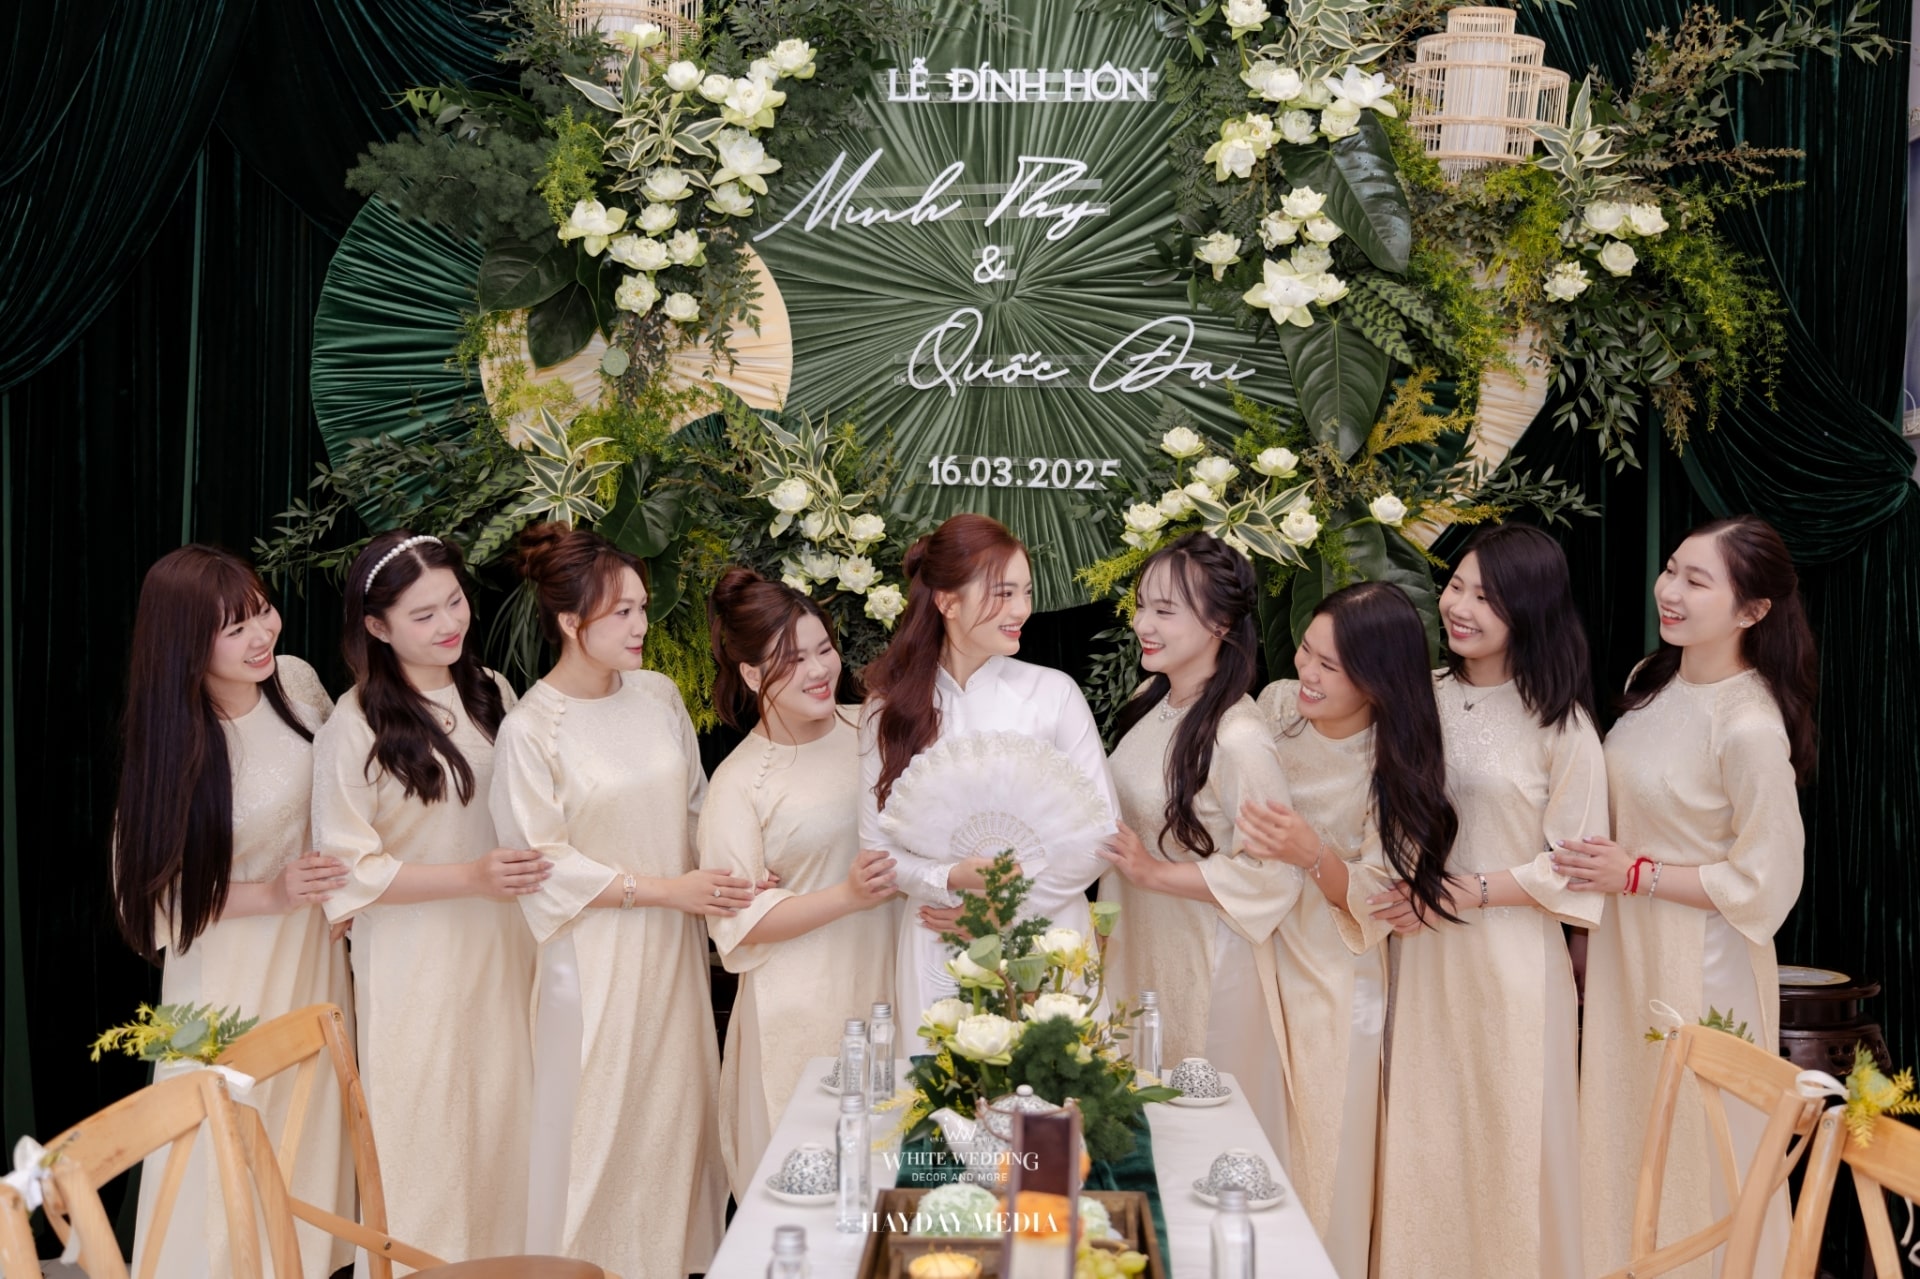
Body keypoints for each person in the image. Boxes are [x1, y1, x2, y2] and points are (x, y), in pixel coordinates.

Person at [1563, 515, 1816, 1278]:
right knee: (1626, 1125)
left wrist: (1635, 876)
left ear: (1753, 610)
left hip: (1701, 961)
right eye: (1671, 568)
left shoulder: (1749, 726)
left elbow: (1767, 880)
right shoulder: (1653, 678)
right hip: (1626, 947)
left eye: (1696, 581)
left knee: (1698, 1142)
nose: (1668, 590)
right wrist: (1589, 928)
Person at [489, 523, 733, 1279]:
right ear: (570, 621)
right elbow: (544, 864)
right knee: (593, 1136)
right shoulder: (531, 730)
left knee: (673, 1125)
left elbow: (695, 810)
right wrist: (665, 891)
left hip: (672, 954)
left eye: (642, 607)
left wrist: (731, 876)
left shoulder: (657, 694)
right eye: (621, 611)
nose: (640, 624)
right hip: (591, 963)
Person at [1370, 524, 1608, 1279]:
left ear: (1530, 610)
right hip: (1417, 955)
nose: (1460, 607)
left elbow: (1577, 867)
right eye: (1457, 586)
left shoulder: (1561, 724)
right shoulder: (1420, 696)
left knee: (1507, 1139)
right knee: (1423, 1139)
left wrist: (1462, 890)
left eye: (1488, 597)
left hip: (1511, 966)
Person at [112, 546, 352, 1279]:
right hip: (224, 974)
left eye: (262, 612)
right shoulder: (173, 741)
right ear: (186, 642)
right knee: (221, 1153)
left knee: (312, 1136)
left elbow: (344, 795)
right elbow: (152, 895)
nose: (261, 635)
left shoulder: (297, 682)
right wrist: (273, 893)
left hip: (313, 955)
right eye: (234, 628)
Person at [312, 531, 542, 1269]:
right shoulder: (354, 724)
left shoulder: (493, 691)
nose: (449, 623)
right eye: (423, 614)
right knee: (430, 1131)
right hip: (416, 964)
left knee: (507, 1121)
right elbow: (349, 869)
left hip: (508, 948)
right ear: (376, 627)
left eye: (454, 601)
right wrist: (472, 877)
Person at [1236, 580, 1460, 1279]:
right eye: (1306, 650)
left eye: (1329, 666)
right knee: (1250, 1133)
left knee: (1325, 1145)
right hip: (1254, 954)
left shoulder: (1395, 765)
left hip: (1335, 976)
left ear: (1378, 680)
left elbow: (1383, 898)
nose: (1306, 671)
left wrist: (1313, 853)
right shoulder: (1276, 706)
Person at [858, 514, 1118, 1042]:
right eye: (1003, 593)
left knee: (1060, 1083)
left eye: (1026, 592)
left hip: (1047, 938)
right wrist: (948, 879)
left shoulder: (1053, 694)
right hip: (939, 937)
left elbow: (1101, 836)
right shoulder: (888, 710)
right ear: (947, 601)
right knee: (941, 1084)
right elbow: (877, 851)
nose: (1022, 610)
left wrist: (1006, 909)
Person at [699, 566, 900, 1200]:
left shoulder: (876, 727)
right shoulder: (740, 783)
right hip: (802, 1010)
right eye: (793, 660)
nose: (819, 670)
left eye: (824, 649)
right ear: (751, 674)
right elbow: (740, 924)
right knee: (812, 1194)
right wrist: (846, 895)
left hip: (894, 984)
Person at [1093, 532, 1297, 1149]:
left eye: (1165, 610)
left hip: (1204, 963)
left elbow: (1274, 874)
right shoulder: (1148, 699)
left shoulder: (1239, 739)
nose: (1143, 625)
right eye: (1141, 605)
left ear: (1221, 624)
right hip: (1137, 945)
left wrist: (1152, 873)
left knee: (1199, 1136)